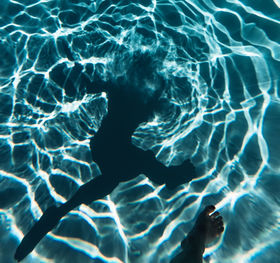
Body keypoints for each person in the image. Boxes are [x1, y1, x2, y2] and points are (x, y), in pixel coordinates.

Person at [14, 54, 199, 261]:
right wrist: (161, 88)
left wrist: (81, 72)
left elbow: (90, 87)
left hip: (101, 146)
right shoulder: (143, 100)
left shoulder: (117, 88)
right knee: (138, 163)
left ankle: (64, 209)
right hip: (114, 149)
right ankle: (168, 177)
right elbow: (154, 106)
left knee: (118, 174)